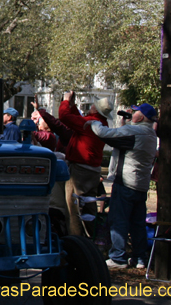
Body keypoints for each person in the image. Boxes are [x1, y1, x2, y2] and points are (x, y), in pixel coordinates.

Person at [87, 103, 158, 269]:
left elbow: (105, 134)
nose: (132, 113)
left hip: (125, 183)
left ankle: (117, 257)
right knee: (137, 222)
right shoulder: (150, 133)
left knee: (118, 220)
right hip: (141, 185)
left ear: (142, 116)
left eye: (135, 112)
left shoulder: (135, 131)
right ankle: (139, 257)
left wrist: (94, 122)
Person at [53, 92, 111, 237]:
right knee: (88, 206)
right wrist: (72, 106)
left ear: (95, 110)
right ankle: (92, 237)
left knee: (74, 207)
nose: (91, 106)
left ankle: (76, 240)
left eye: (93, 105)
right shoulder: (100, 123)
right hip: (92, 169)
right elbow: (77, 119)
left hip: (80, 170)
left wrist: (66, 101)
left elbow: (65, 118)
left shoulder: (90, 123)